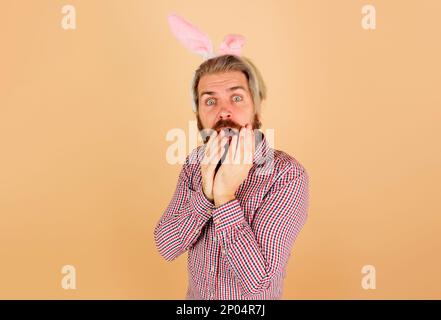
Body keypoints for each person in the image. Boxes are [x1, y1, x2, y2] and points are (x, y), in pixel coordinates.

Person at [154, 15, 309, 300]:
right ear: (199, 117)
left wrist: (224, 197)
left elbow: (260, 283)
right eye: (210, 101)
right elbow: (166, 246)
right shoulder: (193, 166)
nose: (223, 111)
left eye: (236, 97)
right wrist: (205, 193)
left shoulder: (287, 175)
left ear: (257, 109)